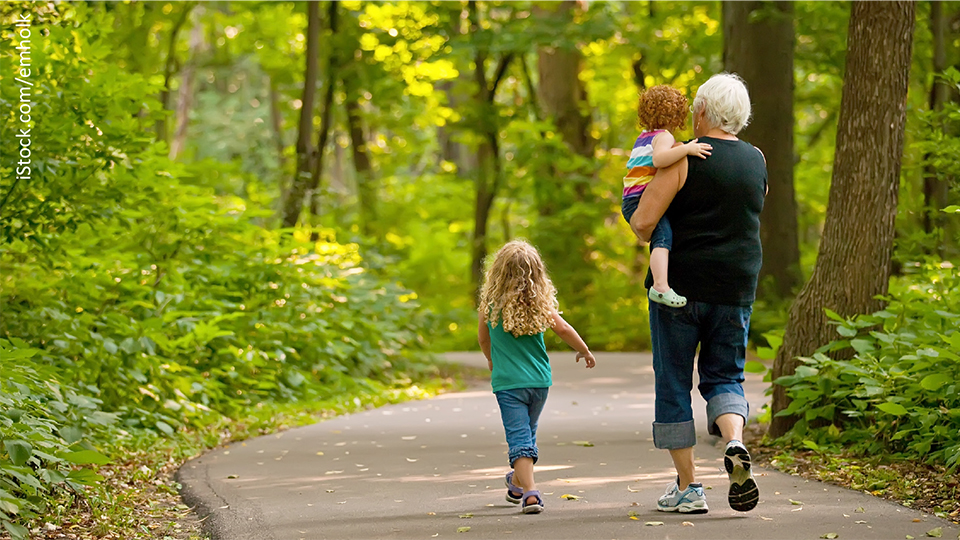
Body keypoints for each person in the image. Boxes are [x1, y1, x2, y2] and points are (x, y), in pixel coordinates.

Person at [630, 73, 767, 515]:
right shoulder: (758, 160)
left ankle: (690, 488)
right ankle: (734, 441)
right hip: (735, 288)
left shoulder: (682, 159)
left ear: (703, 111)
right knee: (726, 376)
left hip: (680, 291)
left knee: (673, 383)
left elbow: (643, 223)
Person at [477, 240, 597, 514]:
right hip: (539, 382)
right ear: (536, 273)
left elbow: (483, 339)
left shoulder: (491, 306)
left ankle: (530, 493)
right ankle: (517, 482)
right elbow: (564, 329)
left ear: (498, 272)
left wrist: (491, 360)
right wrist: (584, 350)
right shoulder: (539, 304)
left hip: (508, 384)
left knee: (519, 438)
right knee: (527, 435)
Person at [621, 85, 712, 309]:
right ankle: (660, 286)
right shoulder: (663, 137)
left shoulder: (644, 137)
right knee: (663, 238)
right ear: (676, 115)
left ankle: (661, 284)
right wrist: (687, 149)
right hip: (640, 200)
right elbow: (660, 160)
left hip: (630, 200)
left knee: (662, 236)